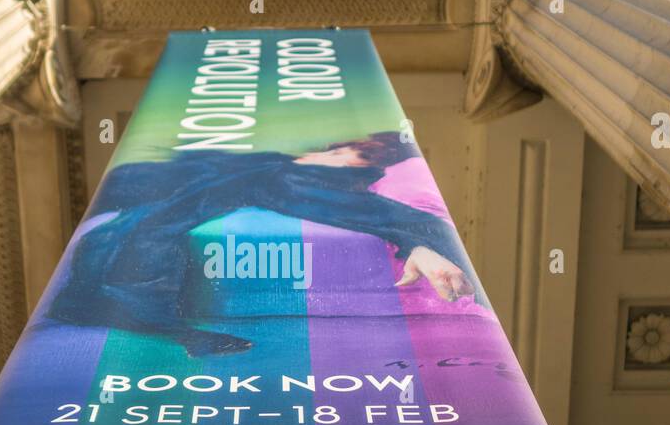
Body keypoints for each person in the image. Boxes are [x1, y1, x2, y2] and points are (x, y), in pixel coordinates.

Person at [45, 131, 486, 356]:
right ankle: (151, 320)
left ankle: (160, 325)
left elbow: (375, 213)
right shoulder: (281, 165)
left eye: (363, 155)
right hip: (140, 195)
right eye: (350, 148)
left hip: (154, 221)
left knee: (138, 241)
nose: (344, 153)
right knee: (128, 239)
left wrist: (420, 247)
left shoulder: (309, 179)